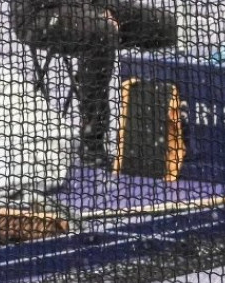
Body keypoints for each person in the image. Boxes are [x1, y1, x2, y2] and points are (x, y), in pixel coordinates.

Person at [9, 0, 177, 169]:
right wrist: (94, 12)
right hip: (40, 15)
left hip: (90, 9)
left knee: (164, 24)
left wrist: (108, 9)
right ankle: (92, 141)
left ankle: (162, 139)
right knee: (101, 32)